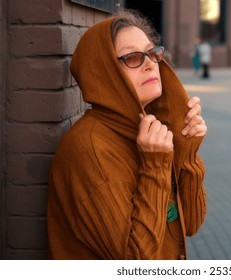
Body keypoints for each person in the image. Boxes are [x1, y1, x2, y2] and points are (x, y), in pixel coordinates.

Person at [47, 10, 207, 260]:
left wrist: (186, 150)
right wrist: (155, 166)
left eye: (152, 52)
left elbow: (191, 224)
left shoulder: (149, 131)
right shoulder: (90, 150)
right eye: (132, 57)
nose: (150, 64)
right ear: (104, 73)